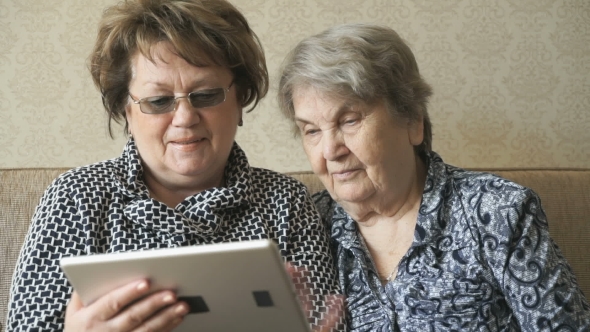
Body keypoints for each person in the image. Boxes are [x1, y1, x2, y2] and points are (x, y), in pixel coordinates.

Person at [6, 1, 344, 331]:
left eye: (206, 95)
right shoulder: (76, 198)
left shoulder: (287, 203)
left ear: (240, 99)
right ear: (127, 111)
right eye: (158, 101)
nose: (184, 117)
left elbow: (327, 321)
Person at [277, 23, 590, 331]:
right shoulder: (305, 227)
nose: (330, 150)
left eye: (349, 120)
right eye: (312, 131)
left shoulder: (497, 212)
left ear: (413, 120)